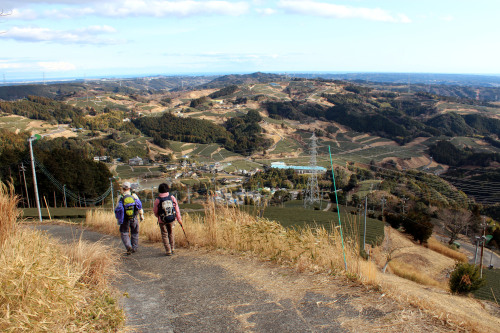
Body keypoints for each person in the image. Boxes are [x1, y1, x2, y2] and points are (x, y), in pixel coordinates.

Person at [115, 181, 144, 255]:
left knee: (124, 232)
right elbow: (139, 206)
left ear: (122, 188)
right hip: (134, 217)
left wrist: (118, 218)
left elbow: (117, 208)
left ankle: (128, 247)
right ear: (130, 188)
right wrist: (141, 215)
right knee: (135, 232)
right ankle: (134, 247)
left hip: (124, 218)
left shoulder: (120, 197)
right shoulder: (134, 195)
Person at [153, 183, 182, 256]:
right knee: (171, 233)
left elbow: (155, 211)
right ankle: (172, 248)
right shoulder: (171, 197)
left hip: (162, 220)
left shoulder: (158, 199)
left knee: (164, 234)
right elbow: (176, 208)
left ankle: (168, 250)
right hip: (171, 218)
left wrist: (158, 217)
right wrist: (179, 219)